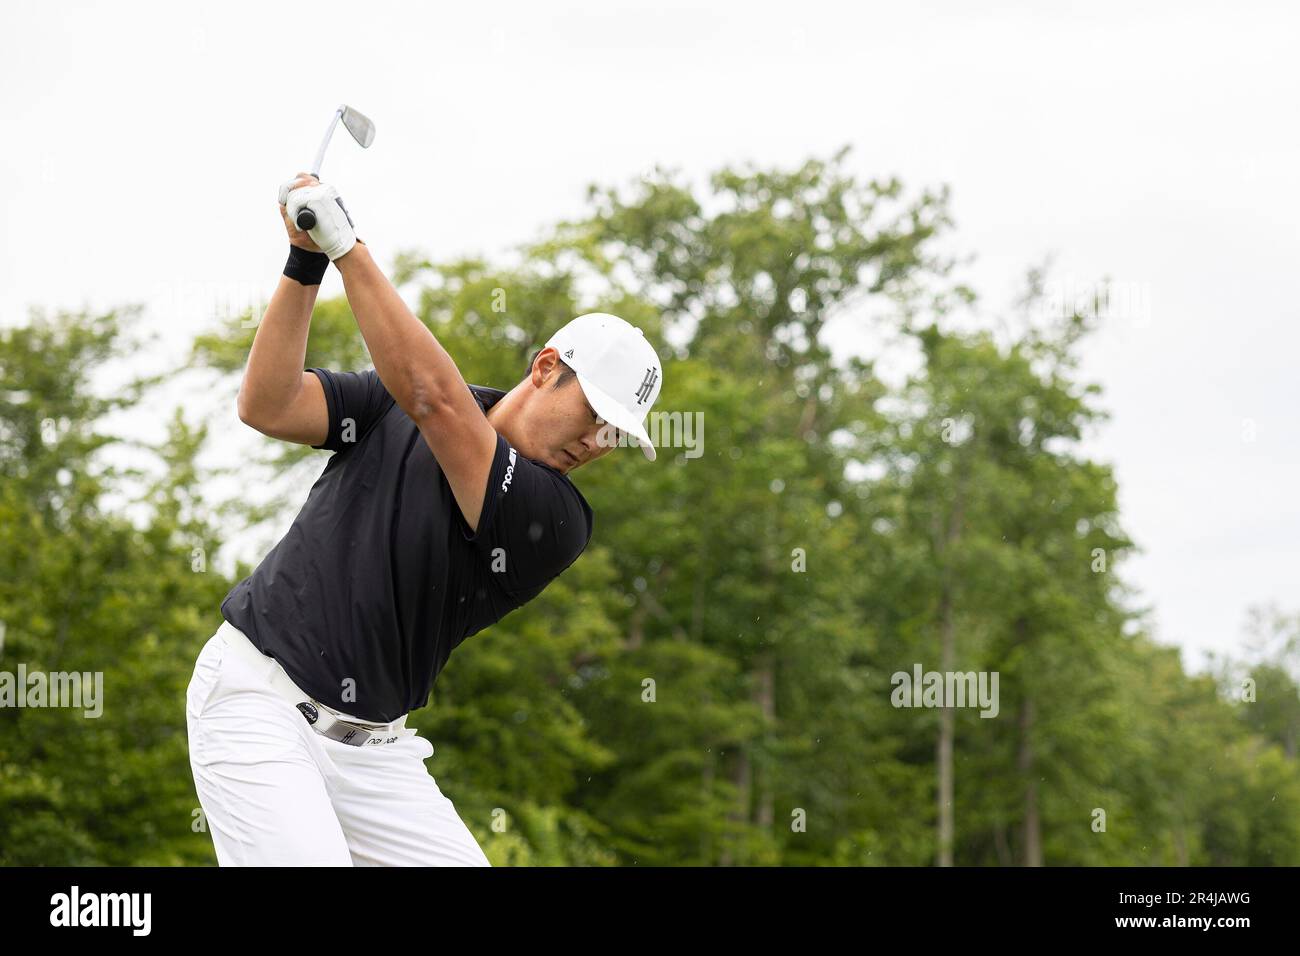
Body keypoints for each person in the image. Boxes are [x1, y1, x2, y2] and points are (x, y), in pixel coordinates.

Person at [184, 172, 663, 866]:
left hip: (376, 756)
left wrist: (347, 245)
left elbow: (435, 401)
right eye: (596, 414)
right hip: (258, 702)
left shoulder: (555, 517)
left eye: (615, 433)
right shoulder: (394, 404)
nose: (596, 442)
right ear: (545, 366)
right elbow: (268, 404)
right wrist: (305, 261)